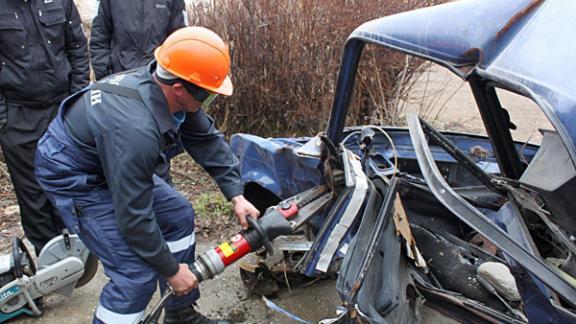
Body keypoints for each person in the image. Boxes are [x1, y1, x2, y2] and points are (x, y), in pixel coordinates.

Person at [35, 26, 259, 324]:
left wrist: (237, 194)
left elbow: (205, 138)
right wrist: (171, 270)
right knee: (134, 274)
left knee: (178, 215)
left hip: (110, 158)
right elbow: (134, 216)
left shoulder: (169, 82)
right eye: (206, 96)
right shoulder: (135, 129)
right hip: (75, 173)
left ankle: (180, 314)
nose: (208, 101)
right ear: (179, 89)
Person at [0, 0, 90, 254]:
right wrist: (3, 117)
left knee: (69, 181)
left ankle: (79, 251)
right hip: (18, 114)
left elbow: (77, 48)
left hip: (62, 107)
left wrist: (77, 99)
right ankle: (49, 259)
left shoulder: (59, 2)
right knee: (32, 193)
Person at [90, 0, 188, 80]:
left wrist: (167, 77)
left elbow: (180, 40)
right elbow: (99, 38)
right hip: (118, 79)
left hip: (157, 81)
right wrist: (105, 76)